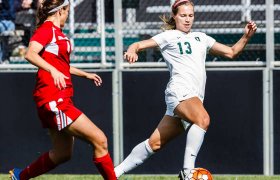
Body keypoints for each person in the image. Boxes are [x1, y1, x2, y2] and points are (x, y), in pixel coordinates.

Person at [114, 0, 257, 179]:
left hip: (191, 96)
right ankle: (188, 173)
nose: (187, 19)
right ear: (174, 16)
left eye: (191, 15)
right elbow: (138, 45)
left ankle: (113, 173)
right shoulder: (169, 36)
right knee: (203, 119)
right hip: (180, 90)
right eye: (183, 15)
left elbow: (231, 52)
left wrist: (246, 36)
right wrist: (132, 50)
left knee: (154, 144)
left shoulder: (201, 37)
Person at [9, 0, 116, 179]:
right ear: (61, 11)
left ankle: (19, 176)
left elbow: (60, 65)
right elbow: (30, 53)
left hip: (58, 98)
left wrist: (84, 74)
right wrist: (52, 70)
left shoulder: (56, 33)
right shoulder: (47, 30)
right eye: (67, 12)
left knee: (62, 153)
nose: (67, 16)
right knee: (100, 139)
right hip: (54, 99)